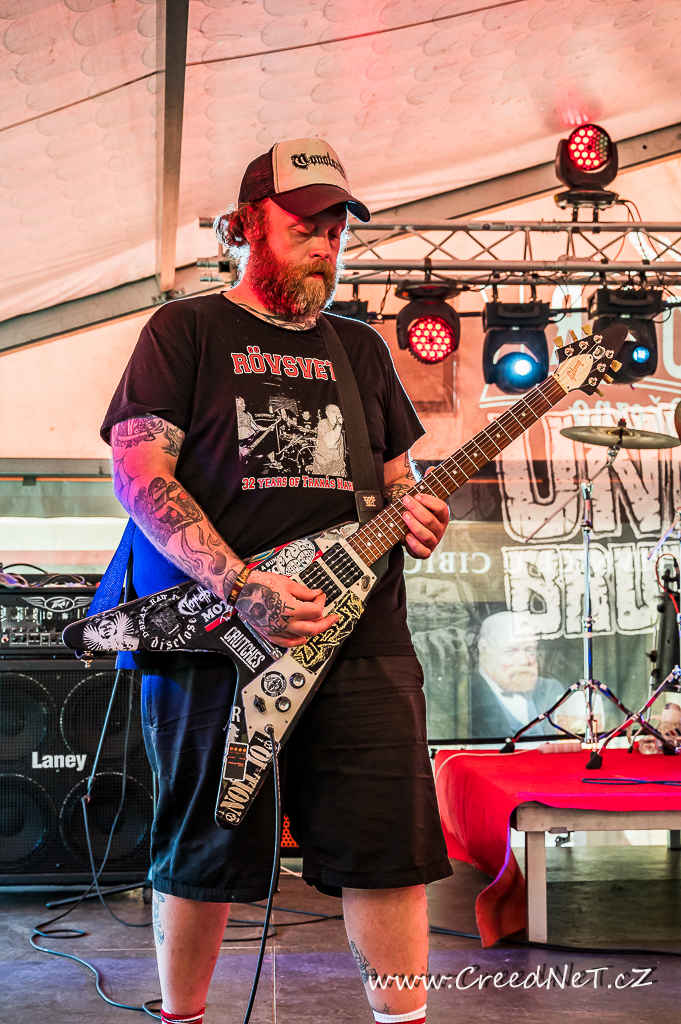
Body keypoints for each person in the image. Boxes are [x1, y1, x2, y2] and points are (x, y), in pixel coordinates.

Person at [101, 138, 452, 1024]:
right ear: (247, 225)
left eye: (336, 231)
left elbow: (397, 481)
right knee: (203, 848)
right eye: (306, 228)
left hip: (361, 637)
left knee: (388, 849)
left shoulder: (360, 349)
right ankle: (183, 1017)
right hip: (218, 633)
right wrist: (239, 582)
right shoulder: (184, 331)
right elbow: (139, 474)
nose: (325, 246)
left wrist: (417, 513)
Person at [469, 610, 564, 738]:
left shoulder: (552, 691)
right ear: (484, 650)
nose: (524, 660)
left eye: (529, 650)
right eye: (510, 651)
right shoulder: (465, 698)